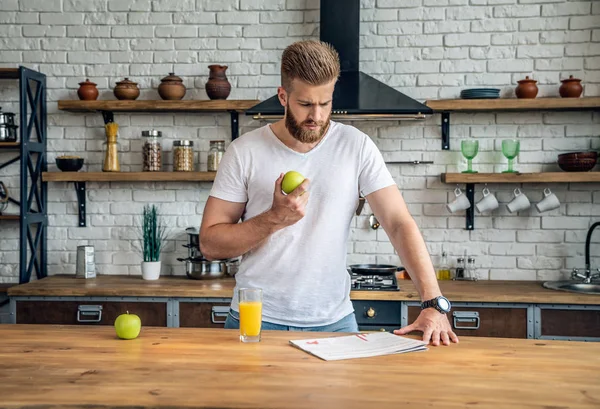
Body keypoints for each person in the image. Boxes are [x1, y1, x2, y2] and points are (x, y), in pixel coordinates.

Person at [200, 40, 459, 346]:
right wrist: (273, 219)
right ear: (283, 97)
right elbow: (210, 244)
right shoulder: (244, 151)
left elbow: (399, 223)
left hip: (335, 323)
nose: (317, 116)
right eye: (306, 104)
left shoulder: (356, 146)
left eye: (325, 103)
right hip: (255, 319)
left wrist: (433, 302)